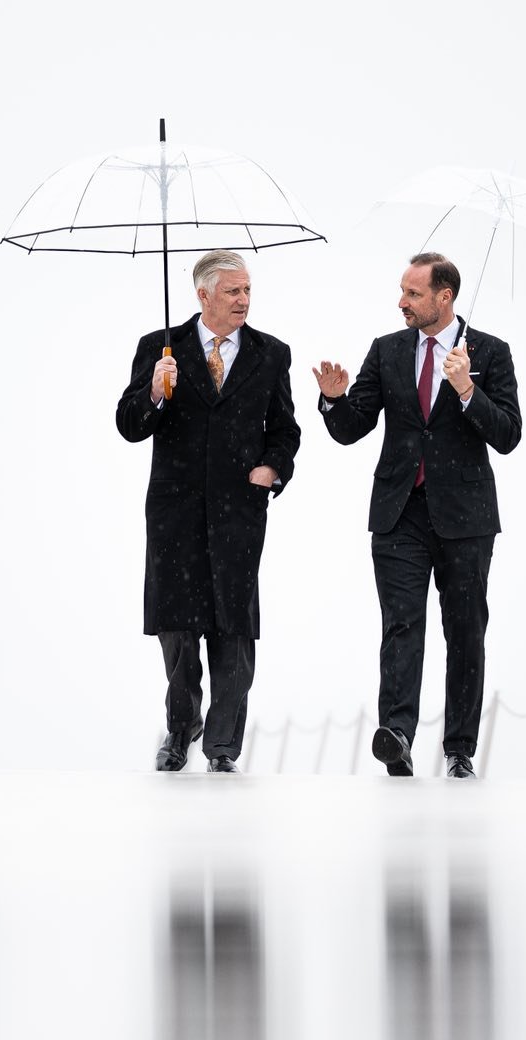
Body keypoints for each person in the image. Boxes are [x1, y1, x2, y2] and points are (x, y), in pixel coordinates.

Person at [313, 253, 520, 779]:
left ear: (444, 297)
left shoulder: (490, 352)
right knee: (401, 624)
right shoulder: (387, 350)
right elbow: (352, 426)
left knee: (465, 632)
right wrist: (333, 400)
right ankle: (398, 737)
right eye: (403, 291)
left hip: (466, 519)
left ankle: (459, 750)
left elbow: (508, 434)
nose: (401, 302)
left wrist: (467, 389)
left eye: (412, 293)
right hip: (399, 512)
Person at [116, 250, 301, 773]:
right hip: (174, 511)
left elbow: (285, 429)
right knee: (177, 627)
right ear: (203, 295)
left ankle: (222, 747)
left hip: (238, 510)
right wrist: (154, 391)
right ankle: (181, 728)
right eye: (232, 291)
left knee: (233, 628)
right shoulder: (159, 347)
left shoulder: (271, 353)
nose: (244, 300)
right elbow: (129, 424)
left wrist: (272, 467)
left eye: (247, 290)